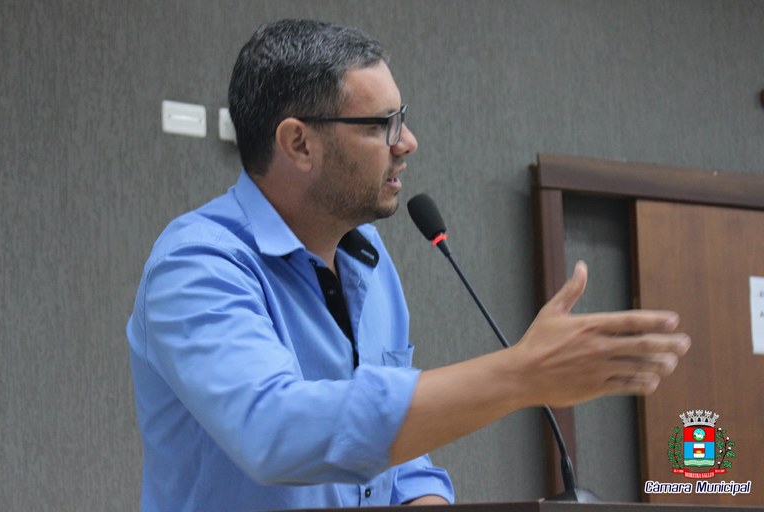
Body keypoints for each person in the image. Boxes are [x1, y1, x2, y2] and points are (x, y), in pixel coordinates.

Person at [126, 18, 690, 511]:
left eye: (403, 118)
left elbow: (396, 457)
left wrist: (425, 496)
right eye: (381, 125)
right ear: (298, 144)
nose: (408, 142)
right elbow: (277, 432)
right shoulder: (198, 263)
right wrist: (520, 374)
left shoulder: (368, 260)